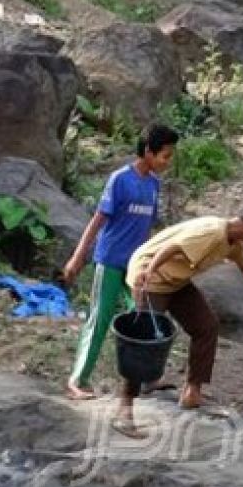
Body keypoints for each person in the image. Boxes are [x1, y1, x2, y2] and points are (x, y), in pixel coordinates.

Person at [113, 197, 243, 437]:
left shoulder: (232, 243)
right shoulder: (212, 233)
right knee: (144, 340)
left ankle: (192, 391)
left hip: (175, 280)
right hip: (151, 276)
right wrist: (149, 271)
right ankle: (125, 410)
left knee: (206, 326)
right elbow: (172, 247)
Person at [61, 124, 179, 401]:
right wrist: (78, 257)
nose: (167, 162)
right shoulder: (120, 180)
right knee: (100, 319)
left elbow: (147, 228)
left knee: (143, 316)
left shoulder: (153, 184)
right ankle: (78, 379)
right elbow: (97, 221)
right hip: (111, 262)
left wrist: (151, 262)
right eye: (165, 155)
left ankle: (147, 378)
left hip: (136, 267)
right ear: (148, 152)